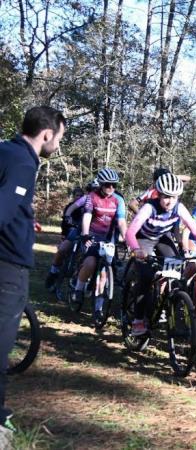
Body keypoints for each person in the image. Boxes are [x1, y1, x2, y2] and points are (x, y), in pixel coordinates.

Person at [0, 106, 65, 438]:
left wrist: (25, 214)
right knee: (2, 339)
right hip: (7, 266)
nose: (58, 145)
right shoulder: (26, 163)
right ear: (46, 134)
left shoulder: (4, 150)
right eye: (59, 138)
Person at [126, 173, 196, 336]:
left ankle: (164, 305)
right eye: (166, 197)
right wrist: (135, 249)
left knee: (176, 268)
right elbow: (130, 232)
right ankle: (137, 320)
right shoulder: (149, 208)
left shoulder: (179, 207)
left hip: (162, 237)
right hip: (144, 238)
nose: (170, 201)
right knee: (146, 277)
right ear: (158, 194)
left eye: (174, 197)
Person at [70, 168, 128, 323]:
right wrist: (84, 233)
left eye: (114, 185)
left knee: (104, 273)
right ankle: (78, 289)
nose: (111, 188)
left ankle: (98, 309)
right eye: (108, 185)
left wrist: (127, 238)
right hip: (93, 236)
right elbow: (87, 215)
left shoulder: (118, 200)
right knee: (90, 263)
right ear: (101, 184)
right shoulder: (92, 197)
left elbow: (121, 221)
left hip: (109, 239)